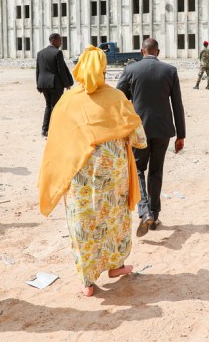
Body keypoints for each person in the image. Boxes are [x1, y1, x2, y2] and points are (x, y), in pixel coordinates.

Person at [37, 46, 147, 297]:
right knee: (114, 220)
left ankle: (87, 280)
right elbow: (139, 139)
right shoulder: (117, 98)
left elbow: (57, 142)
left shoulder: (66, 102)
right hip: (114, 180)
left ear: (79, 69)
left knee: (83, 224)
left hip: (80, 180)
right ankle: (115, 266)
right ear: (103, 70)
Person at [116, 38, 186, 235]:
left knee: (138, 169)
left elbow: (118, 98)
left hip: (139, 130)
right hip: (163, 130)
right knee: (156, 171)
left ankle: (144, 210)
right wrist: (181, 135)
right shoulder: (170, 70)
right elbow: (177, 104)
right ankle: (154, 216)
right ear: (158, 52)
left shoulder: (131, 70)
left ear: (142, 51)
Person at [36, 33, 74, 137]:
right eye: (59, 41)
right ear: (53, 40)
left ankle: (44, 130)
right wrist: (67, 84)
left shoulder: (40, 53)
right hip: (55, 85)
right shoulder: (57, 53)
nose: (60, 43)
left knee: (48, 106)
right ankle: (53, 130)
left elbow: (38, 70)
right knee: (55, 107)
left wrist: (38, 85)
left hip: (43, 84)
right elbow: (61, 70)